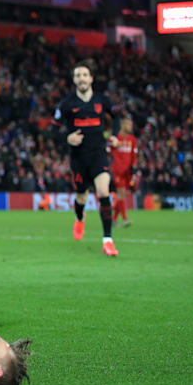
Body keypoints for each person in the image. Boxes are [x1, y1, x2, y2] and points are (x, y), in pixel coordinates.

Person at [52, 60, 120, 257]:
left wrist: (114, 135)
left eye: (84, 75)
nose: (81, 78)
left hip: (99, 154)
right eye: (78, 75)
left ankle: (108, 240)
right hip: (78, 158)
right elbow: (53, 129)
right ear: (74, 80)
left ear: (91, 78)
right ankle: (80, 218)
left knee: (102, 191)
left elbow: (116, 117)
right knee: (81, 196)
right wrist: (67, 137)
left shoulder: (103, 100)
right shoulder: (66, 104)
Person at [109, 118, 138, 227]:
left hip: (128, 172)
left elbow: (134, 155)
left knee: (122, 195)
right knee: (121, 193)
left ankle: (114, 219)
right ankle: (125, 219)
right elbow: (108, 152)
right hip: (117, 171)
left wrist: (134, 167)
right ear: (122, 125)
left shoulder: (132, 140)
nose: (130, 127)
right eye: (128, 124)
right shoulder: (116, 139)